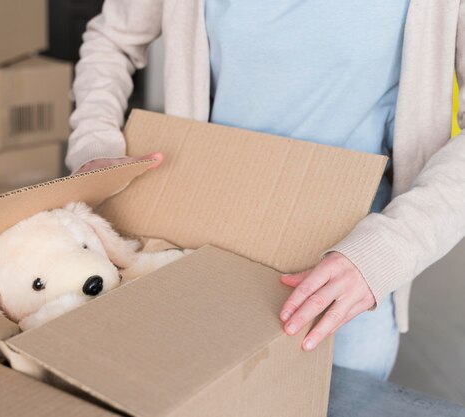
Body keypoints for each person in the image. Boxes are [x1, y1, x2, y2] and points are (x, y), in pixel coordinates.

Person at [65, 0, 465, 381]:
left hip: (349, 269)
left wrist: (390, 250)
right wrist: (95, 143)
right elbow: (111, 39)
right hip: (203, 246)